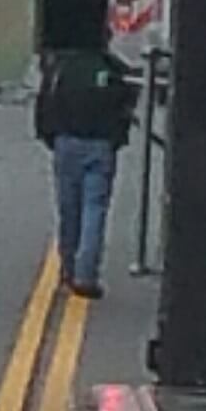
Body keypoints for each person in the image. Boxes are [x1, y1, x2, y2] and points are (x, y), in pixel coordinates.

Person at [34, 40, 135, 299]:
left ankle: (68, 268)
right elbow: (127, 100)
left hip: (67, 142)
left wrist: (49, 135)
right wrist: (116, 137)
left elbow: (45, 103)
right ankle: (86, 274)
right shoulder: (111, 68)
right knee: (95, 209)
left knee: (69, 209)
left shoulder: (61, 66)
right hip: (100, 144)